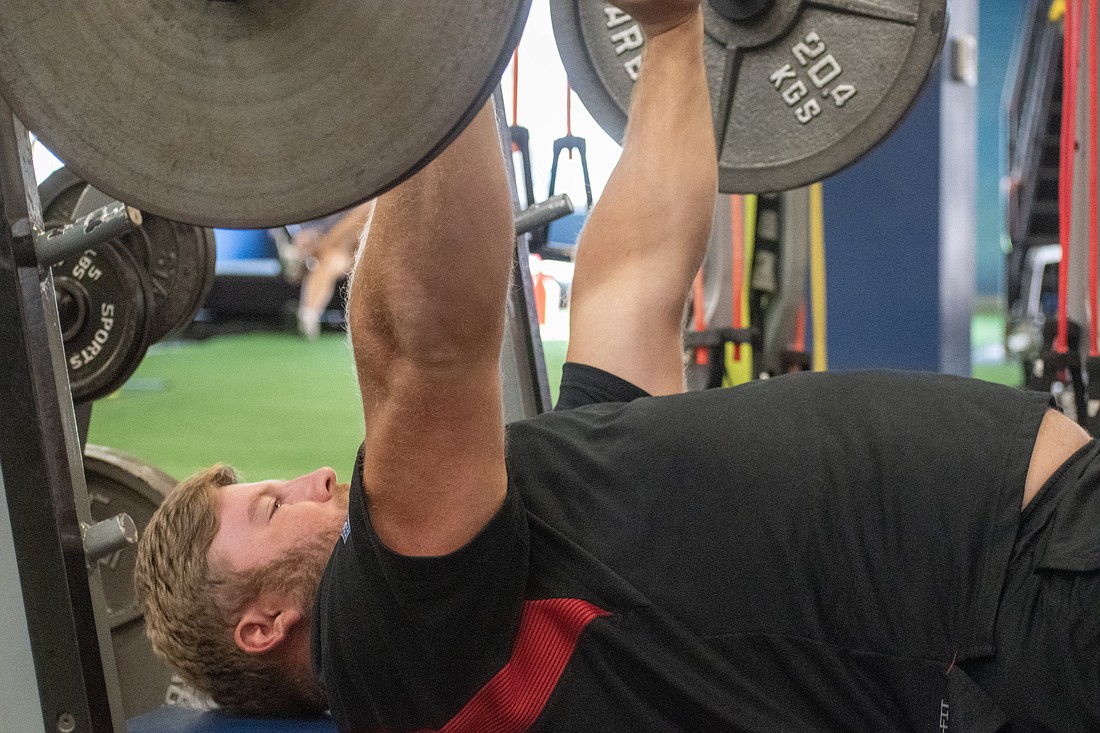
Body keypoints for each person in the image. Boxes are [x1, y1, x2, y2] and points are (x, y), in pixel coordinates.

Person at [135, 1, 1100, 729]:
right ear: (261, 623)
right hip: (1013, 606)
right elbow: (420, 350)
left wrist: (673, 32)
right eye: (269, 509)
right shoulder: (388, 650)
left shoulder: (514, 554)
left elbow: (631, 287)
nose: (310, 480)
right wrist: (426, 37)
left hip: (1033, 557)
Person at [289, 203, 375, 340]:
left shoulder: (365, 199)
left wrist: (324, 244)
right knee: (329, 261)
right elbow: (304, 237)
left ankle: (307, 315)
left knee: (366, 208)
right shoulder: (313, 204)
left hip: (366, 249)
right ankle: (307, 316)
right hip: (337, 255)